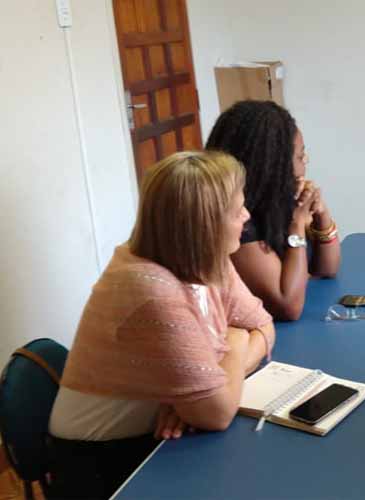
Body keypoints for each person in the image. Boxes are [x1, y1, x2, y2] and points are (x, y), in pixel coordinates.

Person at [47, 151, 275, 498]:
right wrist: (236, 339)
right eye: (236, 210)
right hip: (104, 463)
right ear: (205, 224)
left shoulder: (207, 259)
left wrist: (206, 385)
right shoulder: (149, 290)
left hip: (158, 440)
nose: (247, 216)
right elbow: (217, 414)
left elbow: (265, 326)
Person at [206, 101, 340, 321]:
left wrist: (321, 215)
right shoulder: (236, 220)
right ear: (270, 163)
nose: (303, 166)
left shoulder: (274, 200)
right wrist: (297, 225)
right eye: (299, 157)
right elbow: (287, 306)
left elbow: (327, 269)